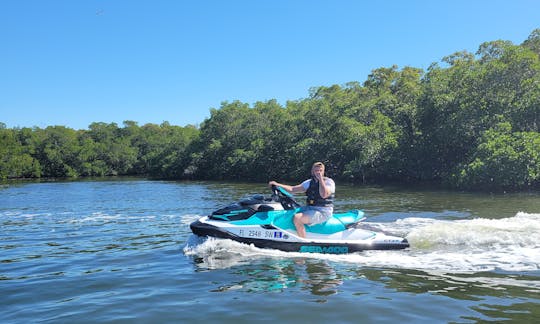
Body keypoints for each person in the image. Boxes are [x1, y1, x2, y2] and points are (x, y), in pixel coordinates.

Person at [268, 162, 335, 238]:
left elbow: (324, 195)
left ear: (323, 171)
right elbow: (292, 189)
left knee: (298, 218)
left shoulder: (329, 182)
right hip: (310, 208)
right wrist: (277, 184)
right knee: (289, 212)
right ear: (312, 171)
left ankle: (303, 241)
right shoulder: (309, 182)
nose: (318, 172)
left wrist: (320, 180)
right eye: (316, 170)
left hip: (323, 212)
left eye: (320, 170)